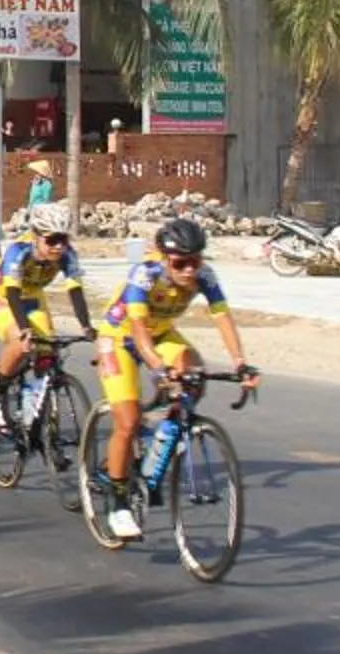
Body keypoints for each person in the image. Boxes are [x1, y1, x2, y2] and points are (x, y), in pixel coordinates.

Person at [91, 216, 256, 539]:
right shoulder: (145, 274)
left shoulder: (205, 275)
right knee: (126, 421)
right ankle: (119, 500)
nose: (189, 271)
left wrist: (241, 363)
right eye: (181, 263)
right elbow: (138, 330)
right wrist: (156, 366)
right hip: (119, 338)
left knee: (194, 372)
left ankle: (160, 437)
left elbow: (222, 316)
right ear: (166, 260)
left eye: (195, 261)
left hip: (162, 334)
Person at [0, 212, 94, 431]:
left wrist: (86, 325)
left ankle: (41, 422)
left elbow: (76, 291)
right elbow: (12, 294)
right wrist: (24, 328)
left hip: (32, 296)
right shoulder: (19, 251)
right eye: (51, 240)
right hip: (1, 295)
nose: (59, 247)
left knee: (48, 352)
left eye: (64, 239)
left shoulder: (68, 255)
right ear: (36, 237)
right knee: (22, 343)